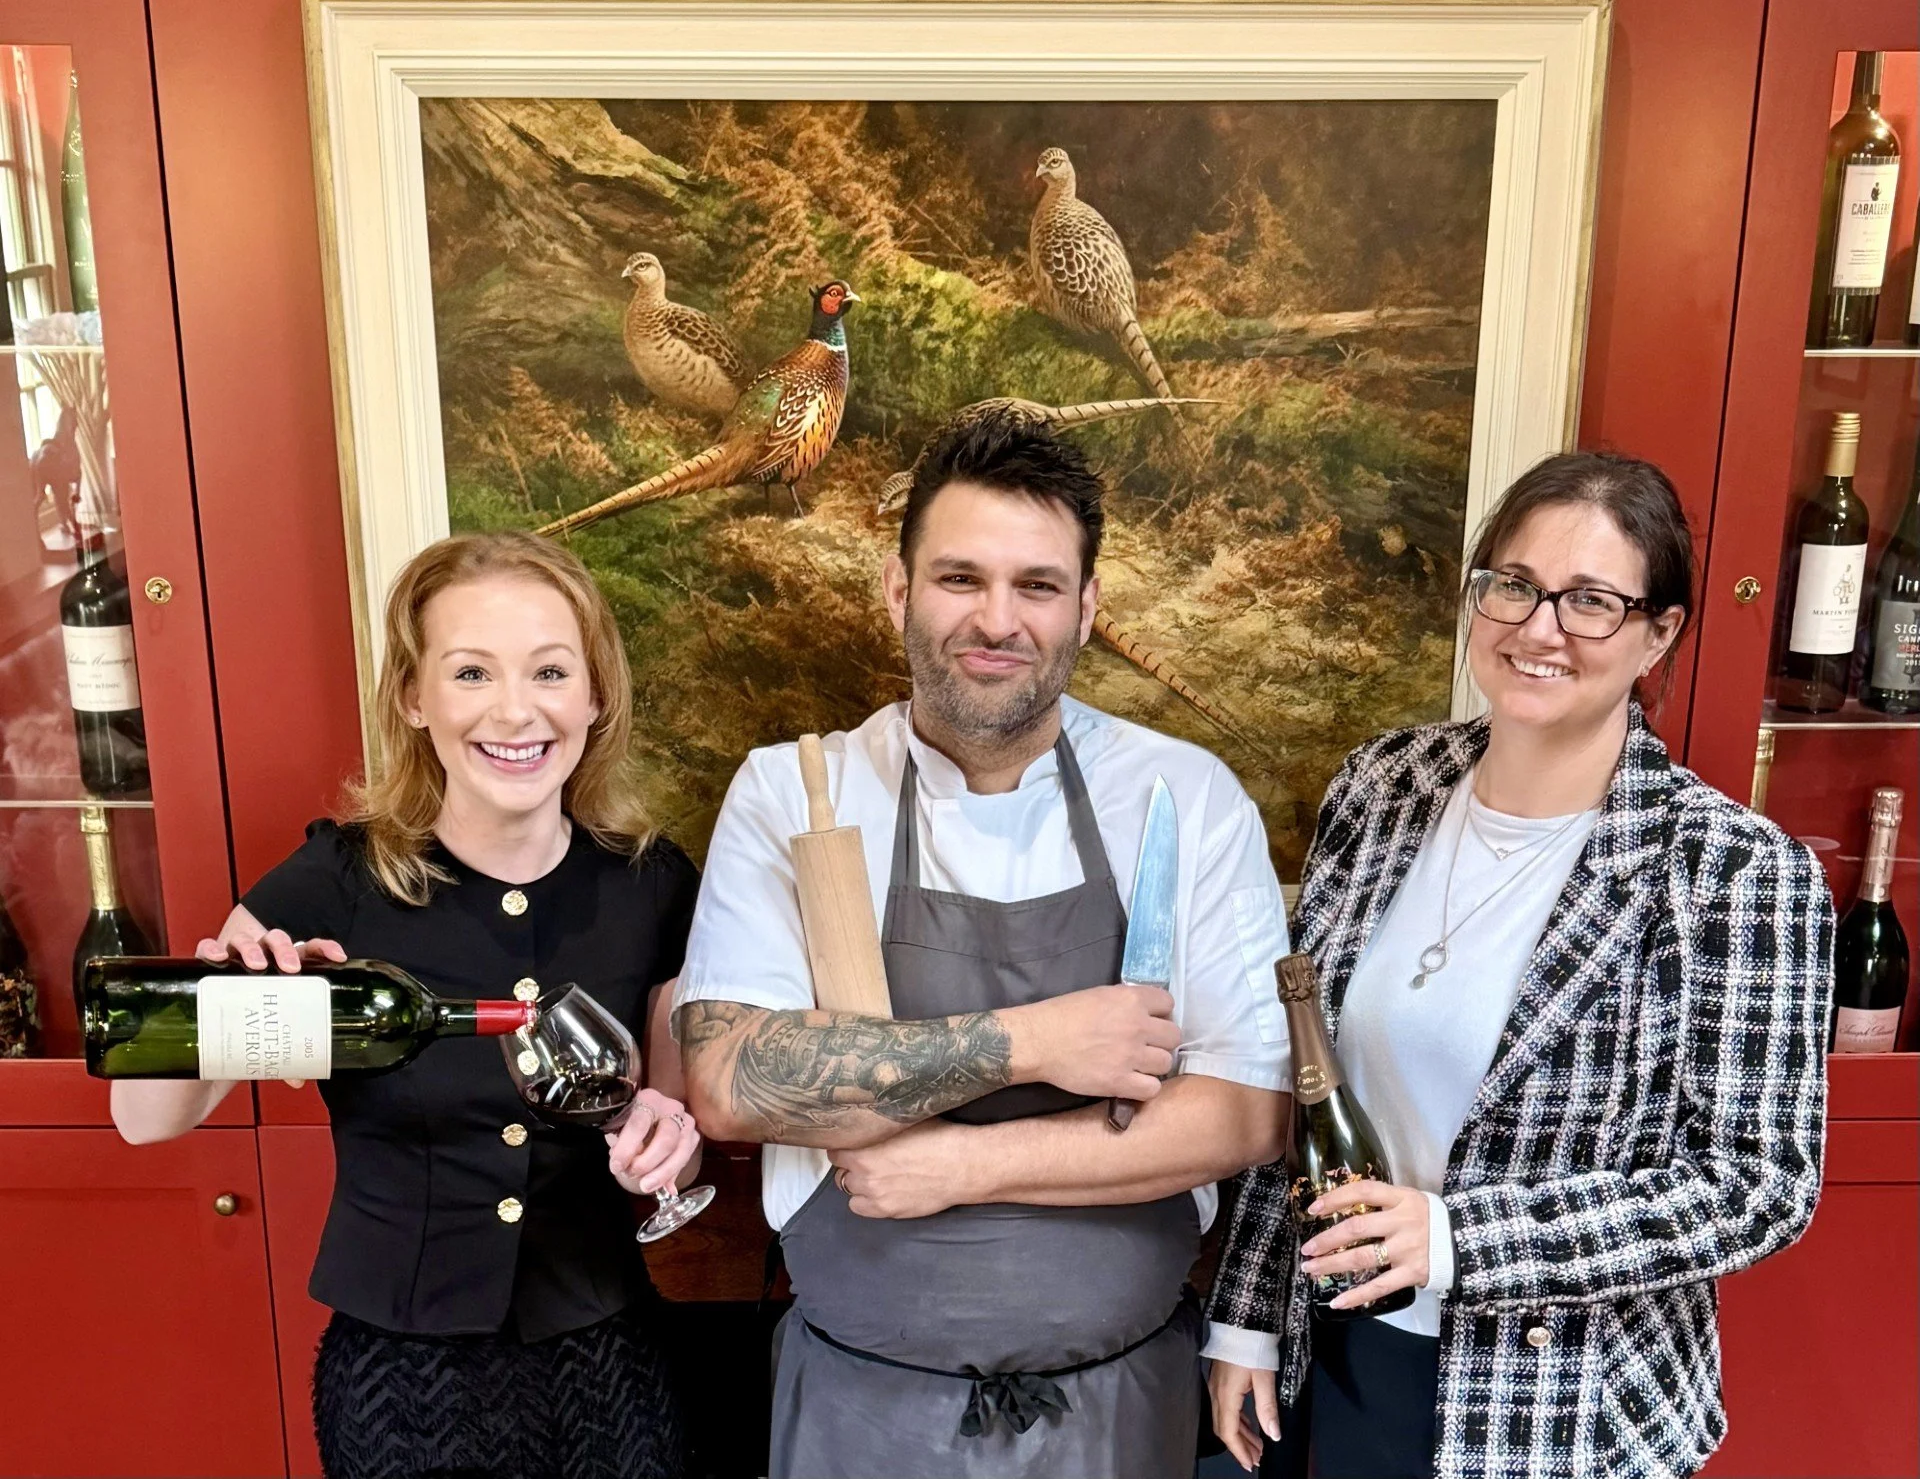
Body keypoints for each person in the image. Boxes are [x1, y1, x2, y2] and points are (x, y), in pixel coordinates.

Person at [674, 408, 1291, 1478]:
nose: (996, 619)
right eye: (959, 577)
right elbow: (734, 1078)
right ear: (895, 587)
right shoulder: (796, 789)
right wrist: (1037, 1043)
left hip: (1120, 1417)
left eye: (1038, 586)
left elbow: (1246, 1110)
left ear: (1087, 608)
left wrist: (960, 1163)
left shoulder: (1184, 798)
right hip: (858, 1416)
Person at [1204, 452, 1834, 1479]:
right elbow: (1306, 1084)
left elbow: (1756, 1184)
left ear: (1657, 633)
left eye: (1589, 601)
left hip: (1556, 1406)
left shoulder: (1734, 873)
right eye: (1514, 584)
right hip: (1338, 1355)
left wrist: (1459, 1240)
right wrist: (1246, 1320)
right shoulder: (1383, 784)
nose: (1538, 628)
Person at [110, 532, 704, 1479]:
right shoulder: (332, 883)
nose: (517, 710)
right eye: (471, 672)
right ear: (413, 699)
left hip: (611, 1364)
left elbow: (665, 1115)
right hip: (400, 1380)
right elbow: (141, 1119)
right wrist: (236, 1010)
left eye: (551, 671)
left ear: (595, 697)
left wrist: (668, 1142)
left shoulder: (654, 885)